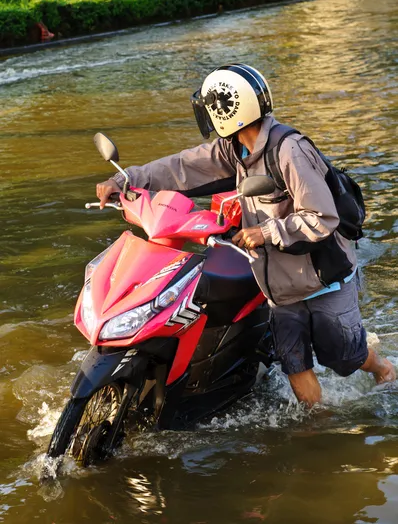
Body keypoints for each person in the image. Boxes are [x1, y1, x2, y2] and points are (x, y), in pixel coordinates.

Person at [96, 63, 396, 406]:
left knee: (344, 357)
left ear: (225, 111)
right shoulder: (234, 150)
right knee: (294, 364)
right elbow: (182, 167)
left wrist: (265, 231)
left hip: (322, 276)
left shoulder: (289, 151)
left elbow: (322, 217)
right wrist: (125, 180)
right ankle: (316, 427)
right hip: (280, 285)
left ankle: (383, 367)